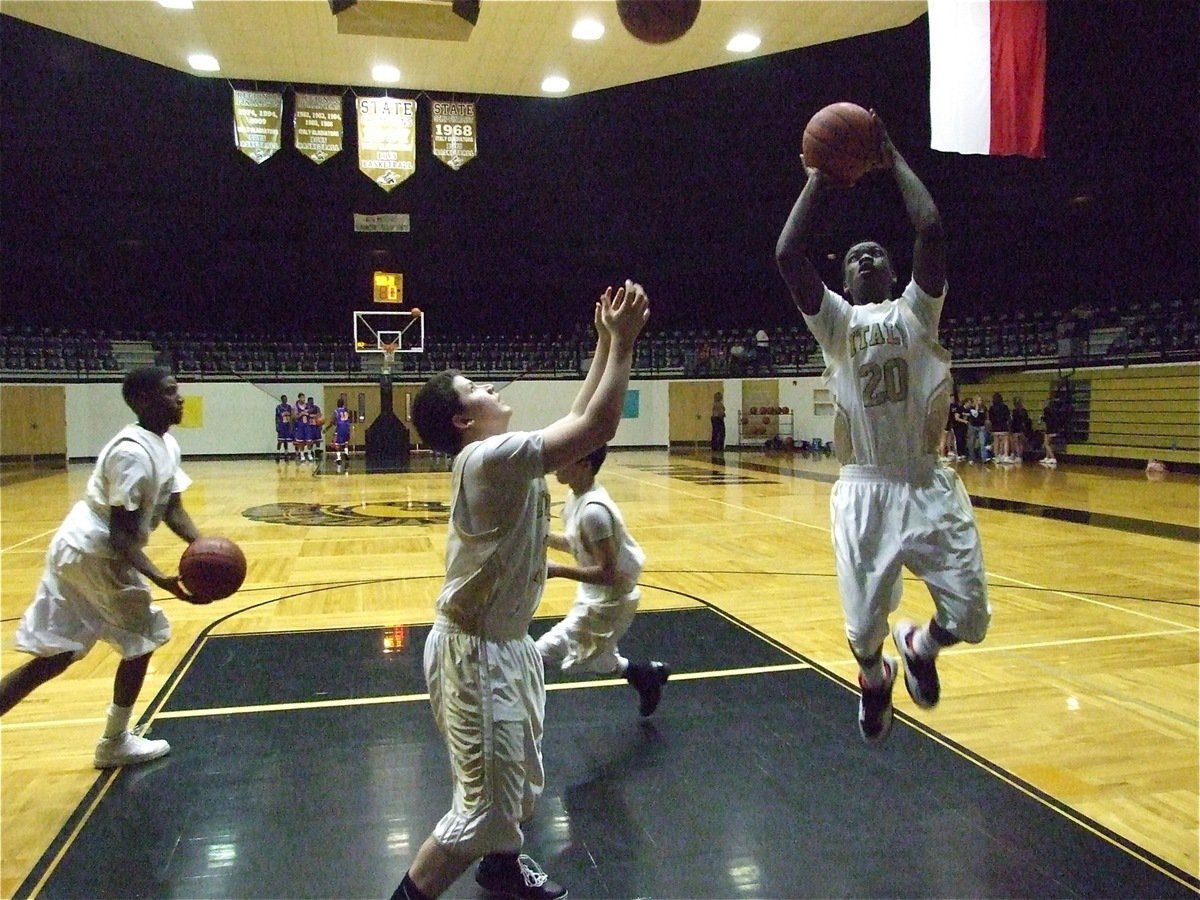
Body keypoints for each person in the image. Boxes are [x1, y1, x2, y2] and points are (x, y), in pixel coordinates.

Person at [390, 282, 649, 900]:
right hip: (475, 651)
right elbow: (597, 425)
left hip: (503, 645)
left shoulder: (497, 457)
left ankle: (501, 869)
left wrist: (605, 342)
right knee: (480, 807)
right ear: (462, 418)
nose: (491, 390)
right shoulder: (487, 460)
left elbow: (577, 420)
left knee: (513, 781)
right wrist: (627, 345)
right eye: (477, 389)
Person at [774, 112, 991, 743]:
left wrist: (892, 159)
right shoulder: (837, 326)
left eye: (878, 254)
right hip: (865, 490)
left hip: (926, 484)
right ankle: (875, 681)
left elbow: (931, 228)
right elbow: (788, 253)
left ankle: (922, 644)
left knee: (972, 617)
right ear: (843, 281)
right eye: (856, 256)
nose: (869, 255)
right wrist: (818, 178)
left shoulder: (919, 314)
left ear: (894, 276)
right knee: (863, 632)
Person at [0, 367, 201, 767]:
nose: (179, 398)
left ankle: (115, 739)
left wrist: (203, 546)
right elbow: (121, 538)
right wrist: (162, 579)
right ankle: (115, 741)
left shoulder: (165, 444)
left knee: (58, 655)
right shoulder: (131, 454)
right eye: (169, 392)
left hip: (77, 549)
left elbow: (173, 507)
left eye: (177, 391)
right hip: (95, 553)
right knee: (145, 637)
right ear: (142, 401)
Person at [536, 444, 669, 716]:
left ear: (585, 464)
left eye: (565, 458)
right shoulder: (577, 499)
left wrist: (558, 570)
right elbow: (577, 544)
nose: (557, 464)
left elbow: (609, 573)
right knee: (598, 659)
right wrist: (540, 536)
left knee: (539, 654)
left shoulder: (594, 512)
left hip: (610, 601)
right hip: (594, 594)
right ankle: (646, 675)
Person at [988, 391, 1012, 464]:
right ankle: (1005, 455)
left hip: (995, 426)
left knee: (996, 442)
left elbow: (990, 418)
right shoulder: (1005, 407)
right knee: (1005, 441)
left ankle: (996, 457)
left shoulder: (991, 408)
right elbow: (1008, 417)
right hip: (1003, 426)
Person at [329, 395, 352, 466]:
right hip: (347, 427)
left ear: (337, 404)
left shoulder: (336, 411)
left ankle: (339, 458)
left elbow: (332, 421)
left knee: (336, 443)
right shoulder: (346, 410)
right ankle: (346, 452)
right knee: (346, 441)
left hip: (340, 427)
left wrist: (333, 424)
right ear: (343, 404)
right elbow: (350, 418)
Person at [1010, 396, 1033, 461]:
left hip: (1016, 429)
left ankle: (1018, 455)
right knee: (1020, 443)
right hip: (1022, 429)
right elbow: (1026, 420)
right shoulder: (1024, 411)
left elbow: (1013, 421)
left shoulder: (1014, 411)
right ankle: (1020, 456)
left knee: (1016, 443)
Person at [275, 393, 294, 462]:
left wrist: (291, 426)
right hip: (281, 425)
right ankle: (278, 454)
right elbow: (277, 417)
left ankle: (286, 453)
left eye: (286, 399)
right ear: (282, 400)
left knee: (286, 441)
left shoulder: (289, 407)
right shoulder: (278, 407)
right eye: (284, 399)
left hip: (287, 425)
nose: (285, 400)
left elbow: (291, 416)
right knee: (280, 440)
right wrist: (277, 426)